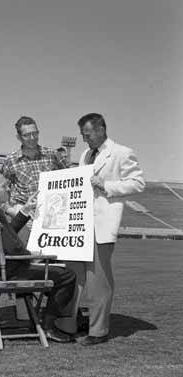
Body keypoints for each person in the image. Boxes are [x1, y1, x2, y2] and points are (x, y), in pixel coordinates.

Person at [0, 169, 77, 343]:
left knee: (57, 273)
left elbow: (8, 234)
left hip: (2, 269)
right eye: (5, 186)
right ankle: (48, 326)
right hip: (10, 272)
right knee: (67, 276)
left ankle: (45, 320)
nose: (9, 189)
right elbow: (12, 247)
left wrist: (24, 211)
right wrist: (32, 256)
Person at [76, 113, 145, 346]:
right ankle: (72, 321)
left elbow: (138, 183)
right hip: (81, 224)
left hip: (102, 225)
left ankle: (99, 331)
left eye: (88, 134)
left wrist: (106, 185)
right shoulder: (85, 154)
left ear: (101, 129)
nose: (85, 140)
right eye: (83, 135)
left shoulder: (122, 152)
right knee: (75, 276)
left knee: (98, 279)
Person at [2, 116, 67, 235]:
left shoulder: (52, 154)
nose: (32, 138)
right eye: (27, 135)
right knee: (24, 252)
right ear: (19, 137)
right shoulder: (11, 160)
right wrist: (13, 211)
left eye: (35, 133)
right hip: (24, 218)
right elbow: (0, 191)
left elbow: (70, 177)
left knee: (52, 253)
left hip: (52, 216)